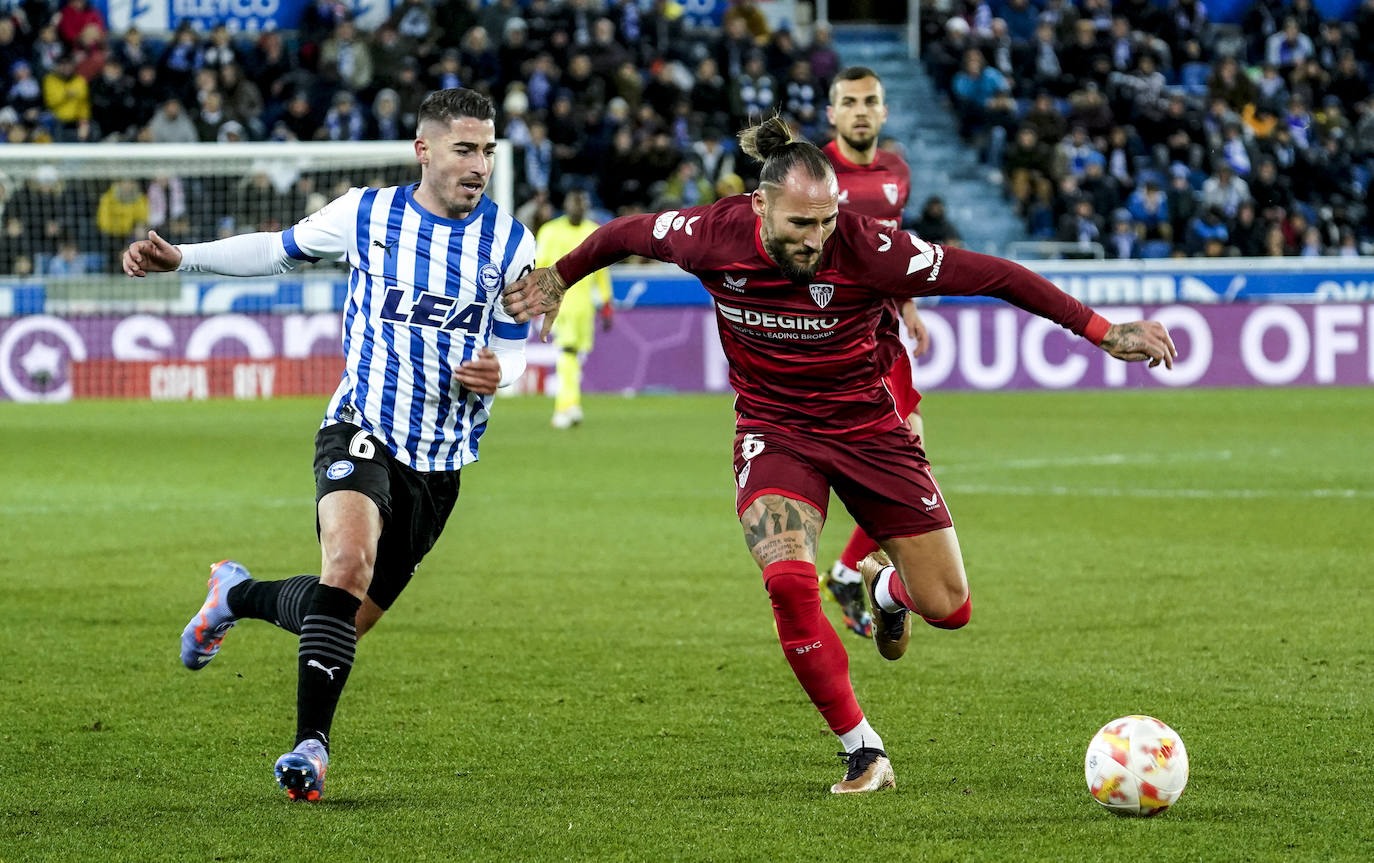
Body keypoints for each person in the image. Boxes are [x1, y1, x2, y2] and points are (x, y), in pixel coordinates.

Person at [503, 116, 1175, 795]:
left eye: (826, 221)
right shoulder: (712, 234)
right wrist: (561, 275)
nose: (815, 238)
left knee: (948, 605)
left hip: (868, 431)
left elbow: (994, 274)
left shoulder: (869, 248)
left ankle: (882, 589)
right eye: (800, 223)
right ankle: (864, 750)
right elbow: (626, 233)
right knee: (788, 582)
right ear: (760, 205)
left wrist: (1100, 330)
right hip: (775, 429)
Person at [121, 88, 535, 802]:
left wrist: (506, 370)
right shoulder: (366, 214)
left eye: (489, 150)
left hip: (440, 465)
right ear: (424, 149)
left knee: (342, 614)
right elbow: (275, 253)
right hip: (361, 425)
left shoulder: (512, 242)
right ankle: (311, 748)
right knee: (345, 567)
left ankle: (235, 593)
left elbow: (523, 341)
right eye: (465, 149)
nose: (480, 164)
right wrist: (182, 258)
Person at [819, 66, 927, 640]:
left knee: (913, 443)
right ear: (831, 113)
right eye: (849, 102)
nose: (861, 111)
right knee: (901, 457)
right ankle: (842, 571)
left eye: (871, 102)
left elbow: (894, 250)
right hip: (841, 343)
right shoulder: (813, 174)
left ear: (883, 113)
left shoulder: (897, 172)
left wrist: (907, 304)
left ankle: (842, 571)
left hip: (884, 333)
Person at [536, 189, 613, 428]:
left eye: (581, 204)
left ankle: (570, 405)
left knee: (574, 357)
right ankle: (566, 407)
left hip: (584, 307)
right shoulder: (550, 231)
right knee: (568, 353)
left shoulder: (593, 231)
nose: (577, 208)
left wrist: (607, 303)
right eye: (573, 204)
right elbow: (539, 267)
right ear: (566, 206)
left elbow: (602, 271)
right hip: (560, 305)